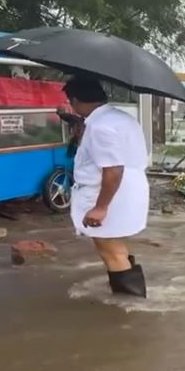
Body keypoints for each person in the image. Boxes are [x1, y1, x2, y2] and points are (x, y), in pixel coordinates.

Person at [63, 75, 149, 297]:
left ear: (75, 100)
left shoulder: (100, 126)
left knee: (109, 248)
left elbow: (113, 169)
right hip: (128, 189)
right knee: (114, 246)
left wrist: (100, 207)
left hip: (111, 192)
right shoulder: (120, 118)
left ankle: (129, 303)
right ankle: (127, 294)